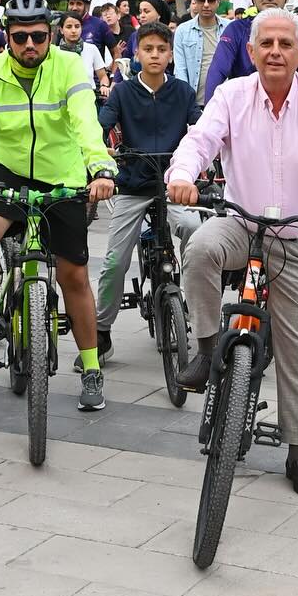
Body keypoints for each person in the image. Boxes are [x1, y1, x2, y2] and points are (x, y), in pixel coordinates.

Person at [166, 8, 298, 497]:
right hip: (241, 224)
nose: (275, 51)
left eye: (285, 44)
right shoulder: (231, 94)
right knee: (200, 248)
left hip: (296, 238)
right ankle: (210, 348)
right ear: (251, 52)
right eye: (266, 44)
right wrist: (182, 176)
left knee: (295, 351)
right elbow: (200, 140)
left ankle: (297, 451)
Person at [0, 0, 117, 412]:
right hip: (4, 166)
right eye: (20, 36)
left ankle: (92, 369)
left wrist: (100, 168)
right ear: (6, 35)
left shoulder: (69, 66)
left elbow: (84, 120)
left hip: (62, 172)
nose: (29, 45)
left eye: (38, 37)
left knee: (74, 276)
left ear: (51, 35)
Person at [95, 23, 201, 359]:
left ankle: (194, 305)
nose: (155, 55)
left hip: (173, 185)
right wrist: (101, 154)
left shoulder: (183, 92)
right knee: (115, 260)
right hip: (132, 185)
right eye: (148, 49)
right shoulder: (123, 92)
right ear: (137, 54)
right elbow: (102, 124)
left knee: (195, 231)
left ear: (170, 55)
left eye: (161, 50)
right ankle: (101, 330)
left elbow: (201, 127)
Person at [172, 0, 230, 102]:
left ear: (218, 2)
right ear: (195, 2)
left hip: (226, 100)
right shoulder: (182, 31)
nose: (206, 4)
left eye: (211, 0)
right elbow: (180, 70)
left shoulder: (230, 28)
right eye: (202, 0)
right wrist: (187, 101)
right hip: (194, 102)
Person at [58, 12, 111, 98]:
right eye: (69, 27)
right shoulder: (55, 52)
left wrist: (104, 86)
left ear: (82, 28)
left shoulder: (91, 49)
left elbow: (103, 76)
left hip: (89, 98)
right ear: (61, 30)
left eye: (77, 26)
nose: (73, 30)